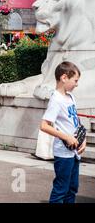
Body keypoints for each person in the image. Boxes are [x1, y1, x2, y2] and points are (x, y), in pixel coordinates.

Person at [40, 62, 86, 203]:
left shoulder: (70, 97)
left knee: (72, 188)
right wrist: (66, 137)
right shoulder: (56, 100)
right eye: (75, 80)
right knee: (61, 189)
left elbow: (76, 121)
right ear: (64, 78)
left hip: (74, 152)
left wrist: (82, 139)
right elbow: (44, 126)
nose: (77, 84)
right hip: (63, 152)